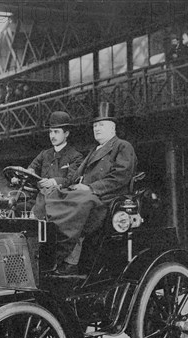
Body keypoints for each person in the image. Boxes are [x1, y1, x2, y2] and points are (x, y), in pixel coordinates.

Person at [45, 102, 137, 275]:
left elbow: (120, 177)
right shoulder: (94, 150)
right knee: (52, 197)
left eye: (101, 125)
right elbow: (73, 176)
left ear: (113, 128)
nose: (97, 129)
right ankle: (52, 251)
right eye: (95, 126)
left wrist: (91, 188)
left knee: (80, 203)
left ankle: (69, 259)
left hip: (107, 196)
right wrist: (56, 183)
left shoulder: (123, 146)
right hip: (86, 192)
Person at [14, 111, 84, 219]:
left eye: (56, 132)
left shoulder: (75, 156)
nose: (52, 136)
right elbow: (31, 169)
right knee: (16, 208)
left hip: (61, 200)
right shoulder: (44, 154)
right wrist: (22, 175)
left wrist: (53, 181)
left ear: (66, 134)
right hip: (40, 198)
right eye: (50, 132)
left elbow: (71, 180)